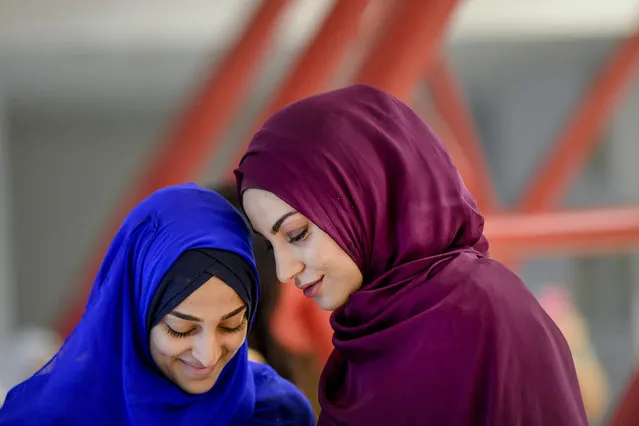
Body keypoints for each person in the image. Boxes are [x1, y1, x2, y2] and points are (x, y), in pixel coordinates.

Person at [234, 85, 589, 425]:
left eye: (297, 234)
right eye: (270, 245)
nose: (284, 271)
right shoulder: (368, 335)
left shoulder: (482, 314)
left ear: (368, 200)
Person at [0, 183, 314, 426]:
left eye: (231, 325)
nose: (208, 354)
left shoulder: (274, 411)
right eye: (181, 329)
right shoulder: (50, 417)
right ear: (133, 318)